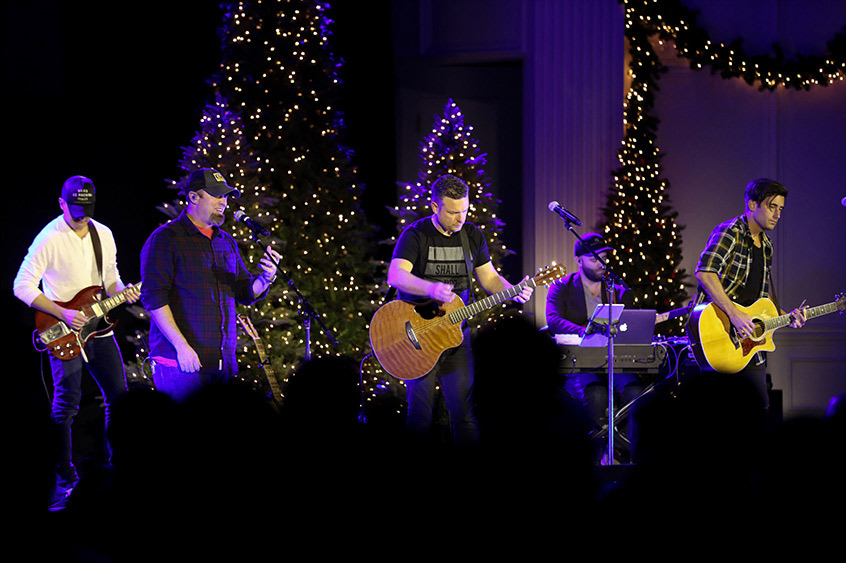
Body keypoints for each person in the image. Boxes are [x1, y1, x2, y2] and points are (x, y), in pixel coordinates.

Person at [13, 175, 141, 505]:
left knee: (118, 397)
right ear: (61, 204)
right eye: (75, 209)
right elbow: (22, 285)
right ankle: (63, 474)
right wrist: (64, 313)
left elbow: (110, 279)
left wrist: (122, 293)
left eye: (86, 209)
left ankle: (119, 468)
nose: (81, 216)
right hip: (61, 327)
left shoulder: (104, 234)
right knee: (66, 403)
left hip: (101, 330)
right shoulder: (49, 238)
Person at [387, 174, 533, 445]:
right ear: (434, 207)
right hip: (420, 336)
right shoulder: (416, 234)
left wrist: (514, 289)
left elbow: (489, 279)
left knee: (465, 415)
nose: (461, 218)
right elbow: (396, 276)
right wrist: (430, 289)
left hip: (456, 337)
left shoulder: (473, 236)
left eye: (465, 210)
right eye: (453, 212)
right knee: (419, 415)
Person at [139, 168, 280, 402]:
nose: (223, 201)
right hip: (180, 363)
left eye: (225, 196)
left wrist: (265, 279)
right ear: (193, 197)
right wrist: (181, 347)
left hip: (220, 363)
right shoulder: (166, 238)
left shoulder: (226, 242)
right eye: (216, 195)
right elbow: (154, 298)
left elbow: (243, 290)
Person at [693, 178, 806, 410]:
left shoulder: (767, 245)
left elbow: (760, 299)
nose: (777, 215)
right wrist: (734, 314)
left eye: (780, 209)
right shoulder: (730, 232)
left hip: (751, 342)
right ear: (752, 205)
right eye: (772, 207)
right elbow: (705, 273)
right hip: (721, 331)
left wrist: (787, 316)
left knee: (757, 411)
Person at [545, 232, 642, 462]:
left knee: (636, 393)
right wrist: (585, 331)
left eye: (604, 257)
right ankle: (598, 456)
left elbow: (629, 322)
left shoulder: (617, 290)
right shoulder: (561, 287)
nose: (601, 263)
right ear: (579, 260)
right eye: (594, 258)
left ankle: (626, 454)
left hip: (615, 360)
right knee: (595, 395)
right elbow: (553, 320)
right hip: (579, 362)